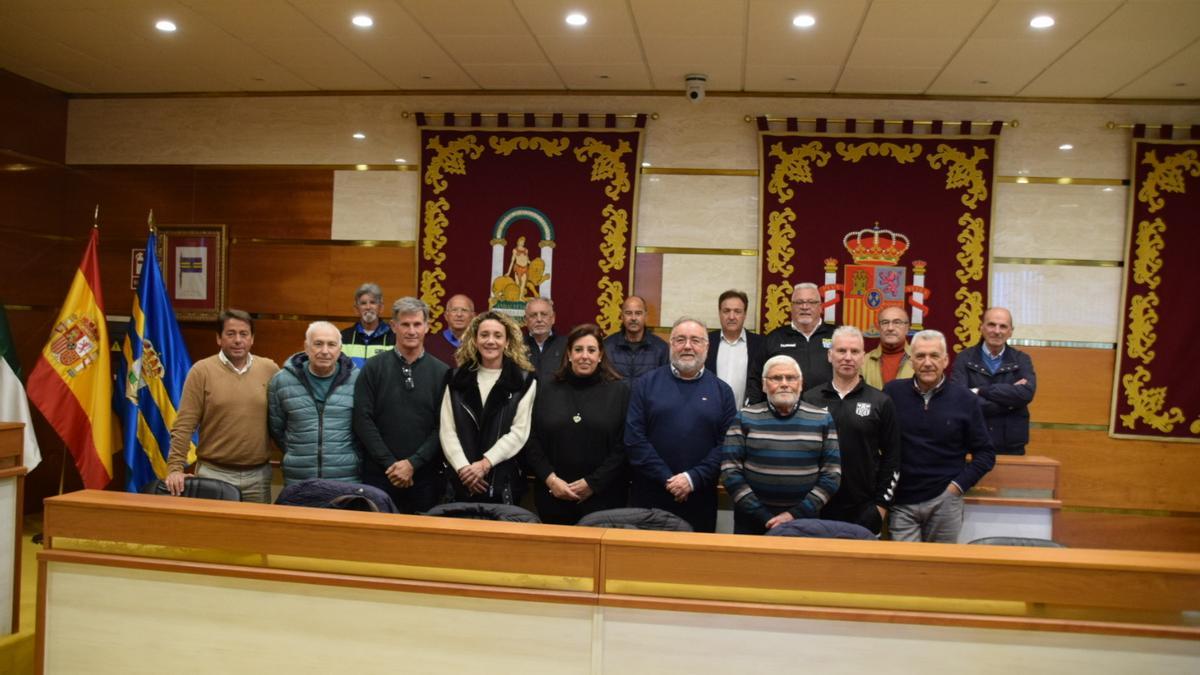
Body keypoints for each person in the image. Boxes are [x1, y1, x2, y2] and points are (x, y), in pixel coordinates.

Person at [625, 318, 736, 532]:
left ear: (706, 346)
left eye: (695, 340)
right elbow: (634, 439)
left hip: (699, 498)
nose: (687, 346)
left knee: (693, 564)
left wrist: (692, 479)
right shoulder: (645, 384)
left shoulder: (723, 391)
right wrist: (669, 480)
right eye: (680, 340)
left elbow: (727, 445)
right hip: (649, 496)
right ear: (671, 344)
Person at [884, 330, 995, 543]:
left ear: (945, 360)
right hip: (901, 501)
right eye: (920, 356)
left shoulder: (965, 399)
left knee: (941, 569)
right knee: (905, 569)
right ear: (911, 361)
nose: (927, 363)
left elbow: (986, 453)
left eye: (934, 356)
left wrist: (956, 487)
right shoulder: (892, 393)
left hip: (945, 500)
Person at [165, 309, 280, 502]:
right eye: (230, 333)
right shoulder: (201, 371)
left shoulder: (270, 369)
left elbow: (282, 420)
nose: (237, 340)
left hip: (258, 477)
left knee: (254, 532)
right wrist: (175, 469)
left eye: (243, 334)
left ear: (252, 339)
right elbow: (184, 425)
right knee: (213, 532)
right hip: (214, 474)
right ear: (219, 338)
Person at [721, 355, 840, 535]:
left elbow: (832, 475)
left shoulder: (822, 419)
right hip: (752, 522)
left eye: (790, 378)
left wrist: (794, 515)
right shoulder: (744, 417)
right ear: (763, 385)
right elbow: (730, 471)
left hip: (805, 522)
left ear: (800, 384)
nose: (784, 383)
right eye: (776, 378)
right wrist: (763, 516)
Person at [524, 324, 630, 525]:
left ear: (600, 356)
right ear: (569, 354)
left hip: (604, 499)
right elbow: (531, 439)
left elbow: (624, 445)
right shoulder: (545, 389)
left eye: (591, 350)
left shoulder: (619, 392)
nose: (585, 356)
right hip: (552, 495)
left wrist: (593, 484)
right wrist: (551, 480)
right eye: (578, 350)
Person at [353, 297, 449, 513]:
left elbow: (443, 425)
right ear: (394, 326)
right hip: (379, 475)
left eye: (417, 324)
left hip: (424, 478)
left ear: (427, 327)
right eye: (405, 324)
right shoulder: (373, 368)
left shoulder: (442, 373)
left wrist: (413, 464)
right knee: (375, 541)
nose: (411, 330)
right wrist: (390, 464)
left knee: (421, 543)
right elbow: (362, 419)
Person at [802, 326, 900, 535]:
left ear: (863, 357)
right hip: (816, 508)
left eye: (854, 352)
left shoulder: (881, 402)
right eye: (841, 351)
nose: (848, 357)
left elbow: (893, 456)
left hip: (864, 510)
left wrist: (881, 506)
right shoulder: (810, 399)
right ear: (830, 355)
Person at [439, 310, 537, 504]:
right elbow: (447, 430)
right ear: (475, 340)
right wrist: (464, 469)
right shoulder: (455, 378)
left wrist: (484, 464)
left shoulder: (524, 381)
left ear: (507, 342)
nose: (490, 341)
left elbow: (519, 432)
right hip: (460, 482)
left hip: (502, 483)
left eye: (498, 335)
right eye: (484, 335)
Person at [268, 321, 360, 486]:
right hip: (299, 477)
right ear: (306, 346)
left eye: (331, 344)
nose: (325, 351)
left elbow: (363, 428)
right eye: (318, 344)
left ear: (340, 349)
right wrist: (298, 453)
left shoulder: (358, 380)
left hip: (345, 477)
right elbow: (277, 428)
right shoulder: (282, 381)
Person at [951, 307, 1037, 455]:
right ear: (982, 327)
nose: (997, 331)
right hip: (972, 444)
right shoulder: (964, 358)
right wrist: (1010, 404)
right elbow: (961, 399)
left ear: (1011, 331)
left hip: (1011, 446)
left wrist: (980, 391)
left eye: (1003, 326)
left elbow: (1026, 394)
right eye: (991, 325)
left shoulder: (1022, 360)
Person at [765, 282, 834, 390]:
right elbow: (757, 377)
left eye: (811, 302)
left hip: (829, 404)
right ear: (791, 307)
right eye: (799, 302)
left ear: (820, 307)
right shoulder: (774, 338)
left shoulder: (837, 335)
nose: (805, 307)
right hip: (786, 405)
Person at [705, 289, 767, 406]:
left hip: (747, 417)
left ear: (745, 314)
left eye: (737, 311)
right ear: (719, 313)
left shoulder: (760, 344)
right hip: (710, 415)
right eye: (726, 311)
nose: (732, 316)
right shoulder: (706, 341)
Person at [603, 295, 668, 380]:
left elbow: (664, 382)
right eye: (628, 313)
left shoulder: (661, 348)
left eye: (638, 313)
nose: (633, 318)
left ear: (645, 316)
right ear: (622, 316)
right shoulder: (607, 346)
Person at [340, 282, 395, 368]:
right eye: (363, 303)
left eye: (373, 302)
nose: (368, 307)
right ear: (356, 309)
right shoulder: (343, 337)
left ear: (381, 308)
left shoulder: (394, 338)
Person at [862, 305, 914, 389]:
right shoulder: (863, 362)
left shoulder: (919, 359)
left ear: (907, 328)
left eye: (897, 322)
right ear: (878, 328)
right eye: (885, 322)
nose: (890, 328)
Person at [426, 293, 475, 366]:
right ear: (446, 316)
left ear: (473, 316)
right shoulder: (429, 344)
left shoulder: (479, 343)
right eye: (454, 310)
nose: (459, 314)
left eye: (464, 310)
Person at [523, 297, 566, 378]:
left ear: (553, 318)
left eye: (544, 314)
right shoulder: (516, 346)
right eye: (533, 315)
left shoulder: (566, 345)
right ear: (526, 320)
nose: (539, 319)